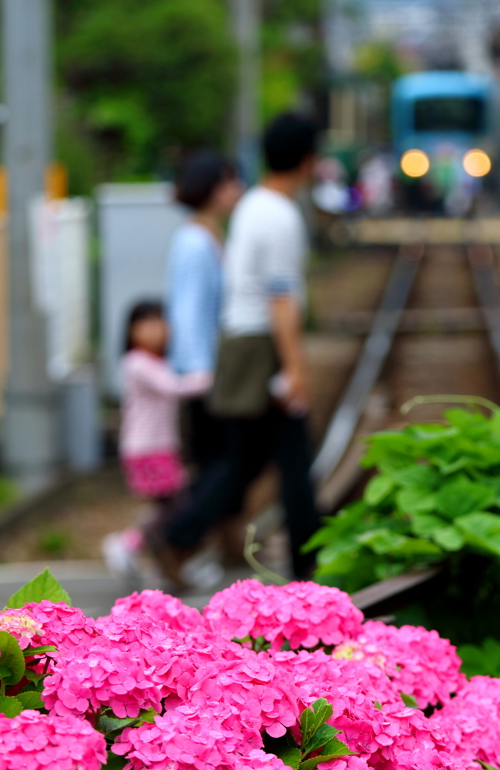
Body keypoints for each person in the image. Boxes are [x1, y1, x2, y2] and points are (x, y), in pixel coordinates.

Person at [158, 112, 321, 584]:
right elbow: (281, 299)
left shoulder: (253, 205)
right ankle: (308, 570)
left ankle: (181, 535)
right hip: (258, 345)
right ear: (309, 160)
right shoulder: (281, 216)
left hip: (242, 340)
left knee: (248, 459)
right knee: (283, 461)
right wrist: (295, 368)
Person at [101, 300, 212, 582]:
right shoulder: (136, 363)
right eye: (146, 323)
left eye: (160, 322)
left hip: (158, 446)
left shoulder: (157, 362)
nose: (156, 330)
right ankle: (128, 544)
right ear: (131, 331)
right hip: (147, 448)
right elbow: (173, 386)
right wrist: (208, 377)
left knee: (169, 506)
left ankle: (161, 560)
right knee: (176, 505)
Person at [167, 151, 243, 470]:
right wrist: (199, 371)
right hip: (204, 373)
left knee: (218, 458)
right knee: (215, 459)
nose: (237, 189)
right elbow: (187, 310)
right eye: (230, 182)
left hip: (213, 368)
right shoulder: (194, 241)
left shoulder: (208, 235)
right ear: (213, 188)